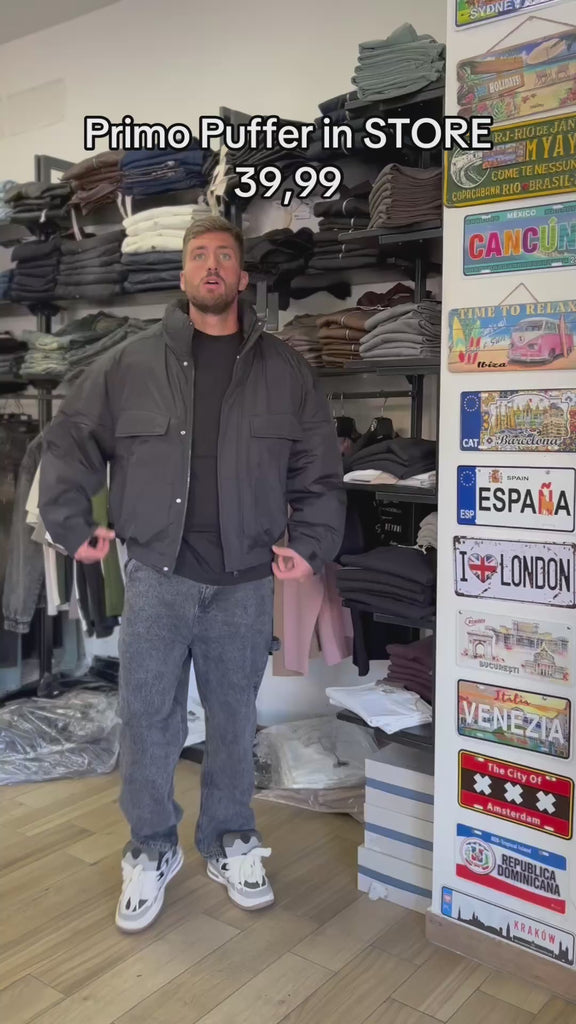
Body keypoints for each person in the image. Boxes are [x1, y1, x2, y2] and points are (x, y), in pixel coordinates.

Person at [39, 214, 345, 932]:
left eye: (224, 256)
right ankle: (151, 848)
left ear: (242, 276)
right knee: (149, 718)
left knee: (234, 720)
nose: (211, 266)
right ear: (182, 275)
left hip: (246, 579)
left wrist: (312, 542)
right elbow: (71, 437)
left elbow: (319, 465)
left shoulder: (285, 370)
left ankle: (230, 838)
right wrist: (72, 525)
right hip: (157, 575)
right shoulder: (129, 363)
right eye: (199, 255)